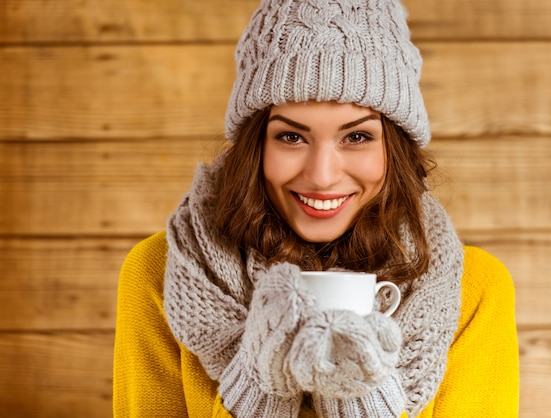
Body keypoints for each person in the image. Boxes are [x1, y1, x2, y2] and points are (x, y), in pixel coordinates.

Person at [113, 0, 519, 417]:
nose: (322, 176)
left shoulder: (474, 290)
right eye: (291, 137)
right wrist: (261, 385)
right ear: (256, 147)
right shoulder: (158, 273)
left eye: (357, 137)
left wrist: (358, 399)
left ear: (393, 149)